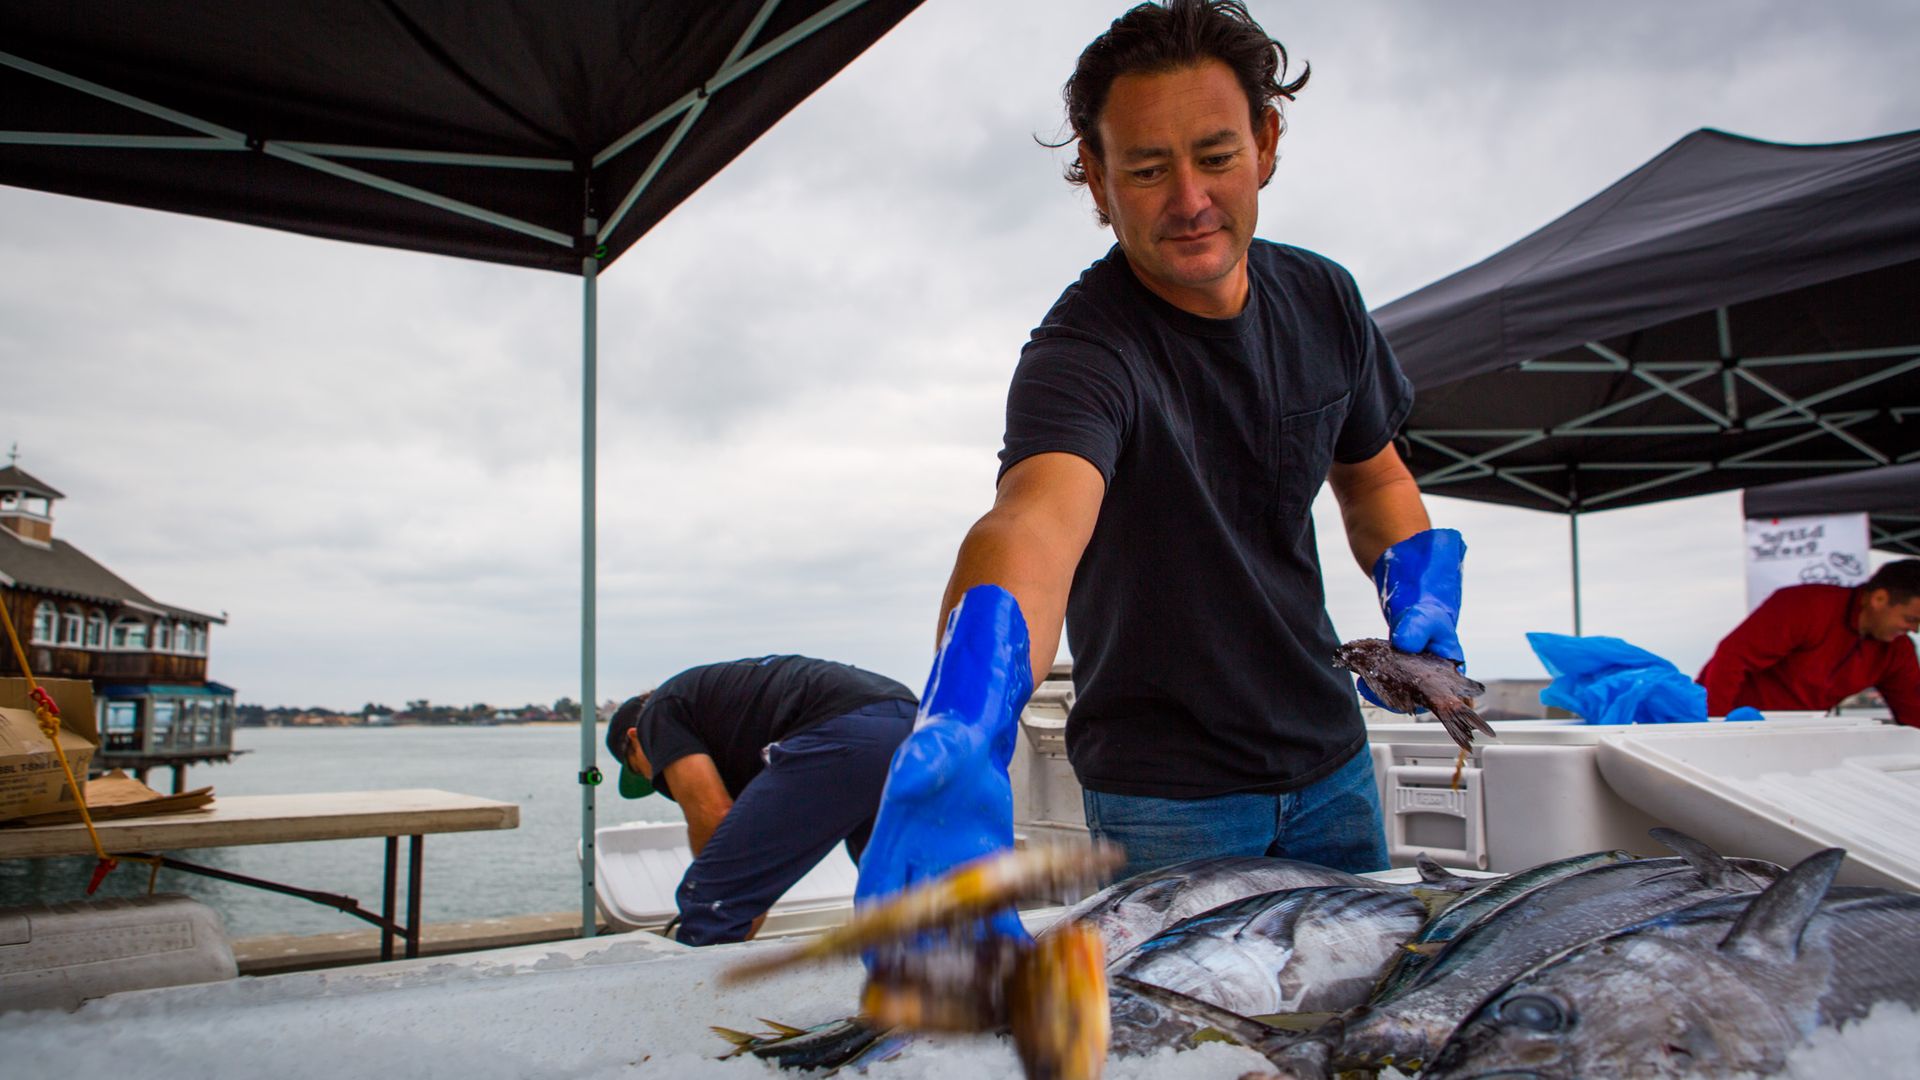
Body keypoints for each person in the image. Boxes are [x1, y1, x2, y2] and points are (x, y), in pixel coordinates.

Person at [857, 0, 1467, 919]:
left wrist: (1413, 577)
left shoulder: (1327, 300)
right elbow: (1033, 522)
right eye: (1146, 170)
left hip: (1334, 761)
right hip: (1166, 800)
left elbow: (1374, 475)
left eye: (1216, 157)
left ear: (1265, 142)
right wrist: (964, 717)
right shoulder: (1082, 352)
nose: (1189, 201)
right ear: (1096, 182)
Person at [605, 654, 917, 945]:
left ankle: (701, 1002)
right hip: (914, 721)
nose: (653, 778)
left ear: (635, 738)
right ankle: (920, 992)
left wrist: (724, 901)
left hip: (843, 729)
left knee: (709, 899)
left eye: (640, 769)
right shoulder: (726, 718)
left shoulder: (657, 715)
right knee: (895, 889)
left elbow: (712, 815)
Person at [1698, 559, 1920, 728]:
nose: (1914, 630)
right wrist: (1713, 726)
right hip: (1737, 725)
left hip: (1801, 735)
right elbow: (1732, 657)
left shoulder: (1898, 650)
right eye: (1911, 619)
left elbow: (1914, 710)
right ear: (1879, 599)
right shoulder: (1806, 606)